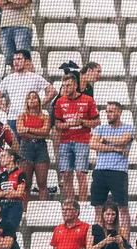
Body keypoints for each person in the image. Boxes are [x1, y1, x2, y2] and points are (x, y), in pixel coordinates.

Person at [53, 73, 100, 202]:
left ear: (75, 85)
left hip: (82, 140)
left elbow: (97, 121)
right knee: (66, 174)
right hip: (65, 141)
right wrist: (69, 124)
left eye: (68, 85)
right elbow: (57, 125)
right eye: (64, 86)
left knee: (80, 173)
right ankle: (71, 202)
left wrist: (82, 122)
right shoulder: (60, 102)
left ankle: (83, 203)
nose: (66, 88)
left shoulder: (88, 100)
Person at [89, 102, 134, 232]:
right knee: (98, 208)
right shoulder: (100, 128)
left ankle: (125, 241)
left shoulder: (128, 128)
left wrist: (103, 138)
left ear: (119, 112)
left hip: (118, 172)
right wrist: (114, 148)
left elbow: (123, 140)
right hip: (100, 171)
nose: (108, 114)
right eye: (107, 111)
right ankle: (98, 238)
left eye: (112, 111)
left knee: (122, 208)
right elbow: (92, 144)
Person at [0, 50, 57, 136]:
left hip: (30, 118)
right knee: (15, 147)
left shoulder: (35, 77)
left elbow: (53, 91)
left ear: (27, 62)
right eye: (14, 59)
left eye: (19, 59)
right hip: (13, 118)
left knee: (28, 147)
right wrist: (4, 108)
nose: (16, 62)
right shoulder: (8, 79)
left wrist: (40, 103)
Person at [17, 90, 53, 199]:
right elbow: (20, 131)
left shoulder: (45, 117)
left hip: (41, 148)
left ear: (39, 101)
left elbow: (45, 132)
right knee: (26, 183)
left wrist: (28, 130)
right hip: (26, 148)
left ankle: (44, 209)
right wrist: (38, 133)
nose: (32, 100)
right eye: (29, 98)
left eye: (34, 98)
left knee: (42, 183)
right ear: (26, 102)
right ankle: (24, 212)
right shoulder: (22, 116)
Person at [0, 149, 27, 228]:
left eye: (3, 156)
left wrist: (1, 193)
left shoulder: (21, 174)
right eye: (0, 158)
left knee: (10, 232)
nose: (0, 160)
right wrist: (8, 192)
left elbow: (19, 193)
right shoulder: (0, 177)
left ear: (11, 158)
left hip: (15, 206)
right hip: (2, 206)